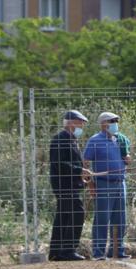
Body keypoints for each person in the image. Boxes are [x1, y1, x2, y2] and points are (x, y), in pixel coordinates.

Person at [83, 112, 132, 260]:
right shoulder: (94, 141)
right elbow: (85, 163)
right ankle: (98, 253)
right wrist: (91, 183)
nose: (115, 123)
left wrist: (128, 159)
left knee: (120, 219)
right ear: (103, 123)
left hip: (120, 183)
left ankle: (117, 251)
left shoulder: (121, 139)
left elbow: (126, 157)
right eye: (112, 121)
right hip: (103, 184)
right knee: (102, 218)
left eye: (116, 121)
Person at [48, 110, 90, 261]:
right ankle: (67, 250)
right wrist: (80, 170)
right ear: (71, 122)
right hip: (64, 185)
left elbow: (71, 163)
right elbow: (59, 163)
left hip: (71, 184)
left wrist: (81, 179)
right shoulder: (60, 139)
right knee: (77, 213)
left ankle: (56, 252)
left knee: (64, 216)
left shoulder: (71, 140)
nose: (82, 126)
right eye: (80, 123)